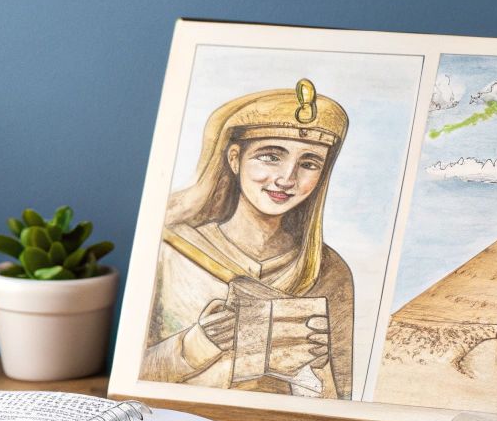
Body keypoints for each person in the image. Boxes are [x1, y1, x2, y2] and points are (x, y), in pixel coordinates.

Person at [141, 78, 355, 398]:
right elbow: (134, 376)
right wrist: (199, 343)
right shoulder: (171, 250)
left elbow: (341, 403)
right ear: (235, 158)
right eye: (271, 156)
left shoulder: (330, 271)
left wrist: (313, 369)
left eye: (309, 163)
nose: (286, 178)